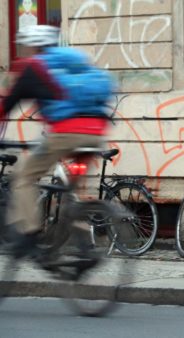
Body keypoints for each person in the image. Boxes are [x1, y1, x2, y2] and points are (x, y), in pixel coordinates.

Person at [0, 25, 114, 258]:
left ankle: (30, 234)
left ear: (32, 46)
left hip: (66, 132)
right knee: (70, 188)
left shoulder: (34, 67)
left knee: (24, 177)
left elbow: (7, 105)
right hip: (96, 132)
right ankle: (83, 242)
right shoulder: (76, 65)